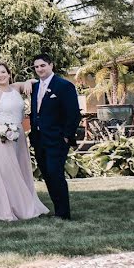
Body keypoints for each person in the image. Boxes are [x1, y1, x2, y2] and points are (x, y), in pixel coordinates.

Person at [0, 62, 48, 221]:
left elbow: (35, 81)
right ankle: (9, 208)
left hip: (19, 136)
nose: (1, 75)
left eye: (3, 72)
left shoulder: (17, 87)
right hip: (1, 138)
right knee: (7, 172)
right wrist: (0, 131)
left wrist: (27, 82)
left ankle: (24, 204)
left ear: (9, 72)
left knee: (20, 170)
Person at [30, 53, 81, 219]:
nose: (39, 69)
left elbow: (73, 113)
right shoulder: (36, 87)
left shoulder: (64, 86)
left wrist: (67, 135)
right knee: (46, 174)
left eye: (42, 65)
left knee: (55, 173)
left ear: (51, 65)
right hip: (39, 139)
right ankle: (58, 209)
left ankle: (63, 213)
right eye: (36, 67)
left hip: (57, 139)